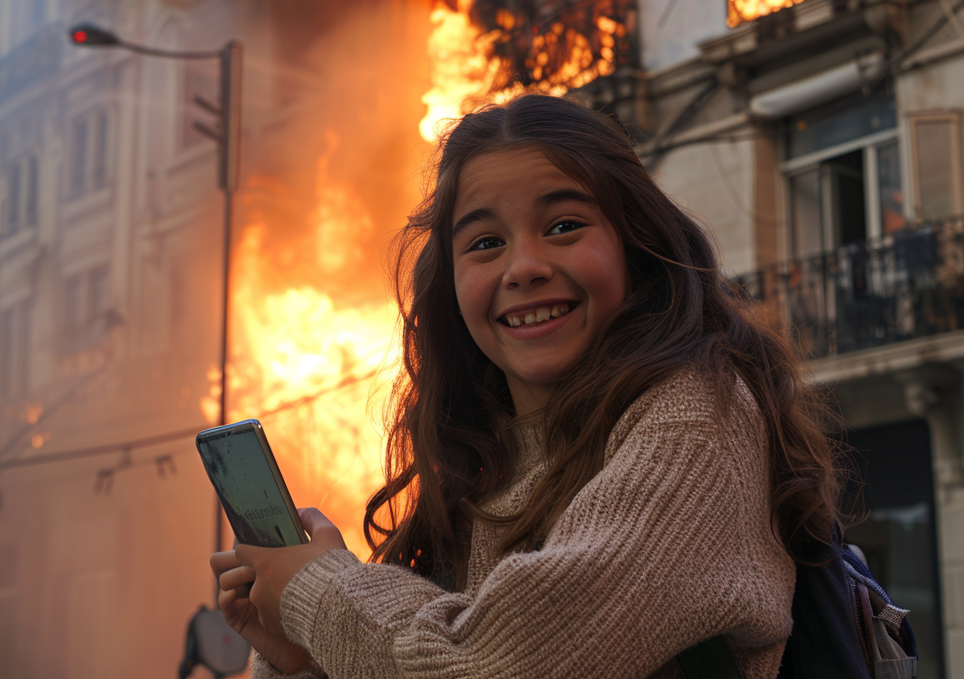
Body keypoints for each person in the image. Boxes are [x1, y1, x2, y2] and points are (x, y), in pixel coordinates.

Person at [211, 93, 839, 679]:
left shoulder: (694, 417)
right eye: (485, 243)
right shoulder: (481, 461)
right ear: (451, 286)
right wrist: (306, 659)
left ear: (636, 247)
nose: (525, 268)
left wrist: (316, 590)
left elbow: (493, 660)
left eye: (564, 225)